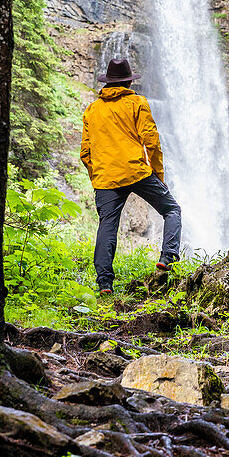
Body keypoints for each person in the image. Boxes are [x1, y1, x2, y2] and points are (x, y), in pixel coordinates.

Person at [80, 57, 181, 293]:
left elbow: (85, 152)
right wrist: (157, 174)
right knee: (172, 210)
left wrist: (98, 176)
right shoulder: (137, 102)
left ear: (107, 83)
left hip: (105, 177)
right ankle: (168, 257)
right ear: (127, 82)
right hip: (136, 171)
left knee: (107, 225)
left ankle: (104, 282)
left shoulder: (92, 109)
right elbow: (151, 141)